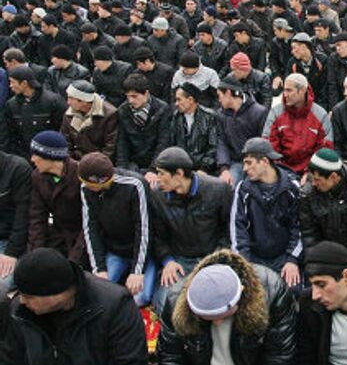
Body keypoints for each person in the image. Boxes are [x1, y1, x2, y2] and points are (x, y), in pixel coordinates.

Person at [0, 248, 148, 365]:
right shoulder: (20, 313)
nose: (22, 301)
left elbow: (131, 360)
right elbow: (11, 359)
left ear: (56, 293)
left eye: (29, 296)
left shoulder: (115, 306)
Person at [157, 249, 297, 365]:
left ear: (241, 292)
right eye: (208, 318)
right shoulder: (175, 300)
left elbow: (279, 356)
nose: (217, 323)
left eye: (222, 316)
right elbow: (171, 357)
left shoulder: (272, 291)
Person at [150, 147, 233, 316]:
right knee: (165, 304)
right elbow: (158, 235)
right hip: (180, 259)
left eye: (161, 173)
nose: (158, 179)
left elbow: (228, 231)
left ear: (179, 173)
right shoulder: (157, 195)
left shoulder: (218, 190)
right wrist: (167, 260)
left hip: (212, 257)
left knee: (217, 303)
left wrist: (218, 258)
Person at [78, 152, 156, 307]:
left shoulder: (135, 185)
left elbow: (144, 228)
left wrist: (137, 271)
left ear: (101, 181)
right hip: (115, 250)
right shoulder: (85, 188)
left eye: (89, 184)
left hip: (143, 252)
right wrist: (99, 268)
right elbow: (90, 228)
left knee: (141, 297)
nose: (86, 187)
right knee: (98, 293)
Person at [230, 138, 303, 291]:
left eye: (249, 163)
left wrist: (292, 260)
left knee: (293, 290)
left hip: (283, 257)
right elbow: (238, 230)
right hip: (254, 258)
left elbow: (299, 227)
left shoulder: (292, 188)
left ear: (264, 161)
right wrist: (244, 265)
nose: (244, 168)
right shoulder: (242, 189)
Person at [300, 150, 347, 273]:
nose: (313, 183)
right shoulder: (308, 194)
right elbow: (309, 234)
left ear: (334, 177)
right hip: (324, 256)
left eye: (317, 179)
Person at [27, 131, 85, 264]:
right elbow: (37, 218)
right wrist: (35, 256)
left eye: (36, 155)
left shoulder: (80, 175)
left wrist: (74, 261)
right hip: (57, 237)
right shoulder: (37, 177)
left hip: (82, 242)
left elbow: (90, 223)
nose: (32, 159)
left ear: (50, 157)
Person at [262, 73, 334, 175]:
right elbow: (268, 144)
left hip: (311, 172)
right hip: (280, 169)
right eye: (284, 90)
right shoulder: (276, 112)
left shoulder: (320, 115)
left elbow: (325, 148)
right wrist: (278, 171)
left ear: (303, 91)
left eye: (289, 90)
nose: (285, 94)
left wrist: (310, 172)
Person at [116, 73, 172, 184]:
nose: (130, 101)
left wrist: (154, 169)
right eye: (128, 96)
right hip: (133, 163)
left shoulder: (162, 109)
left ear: (146, 93)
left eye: (134, 96)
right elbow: (122, 143)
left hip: (156, 163)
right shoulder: (123, 110)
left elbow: (163, 141)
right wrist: (122, 170)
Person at [216, 76, 269, 186]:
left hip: (255, 161)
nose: (219, 99)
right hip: (234, 163)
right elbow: (222, 141)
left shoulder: (259, 112)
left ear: (228, 93)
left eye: (220, 95)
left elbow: (264, 142)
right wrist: (224, 168)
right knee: (225, 186)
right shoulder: (221, 114)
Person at [5, 65, 66, 158]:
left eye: (13, 82)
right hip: (24, 157)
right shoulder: (11, 105)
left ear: (24, 83)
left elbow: (60, 130)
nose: (10, 86)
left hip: (49, 155)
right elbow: (10, 134)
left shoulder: (53, 102)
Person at [0, 150, 31, 298]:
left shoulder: (18, 169)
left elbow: (23, 215)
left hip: (11, 241)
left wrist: (11, 252)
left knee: (2, 286)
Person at [170, 83, 219, 175]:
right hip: (181, 168)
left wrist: (204, 169)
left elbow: (213, 147)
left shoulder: (209, 117)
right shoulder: (176, 117)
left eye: (179, 100)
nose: (176, 104)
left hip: (205, 169)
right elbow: (172, 144)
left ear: (190, 100)